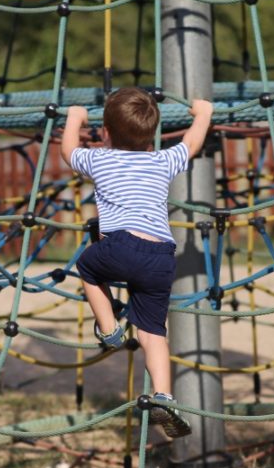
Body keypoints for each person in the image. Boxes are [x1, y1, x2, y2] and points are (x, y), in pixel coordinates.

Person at [61, 87, 213, 439]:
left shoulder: (98, 160)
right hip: (161, 255)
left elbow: (68, 151)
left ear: (106, 133)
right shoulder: (162, 160)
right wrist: (203, 113)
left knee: (87, 268)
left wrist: (74, 117)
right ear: (152, 135)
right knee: (153, 332)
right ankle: (164, 396)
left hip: (120, 245)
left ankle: (109, 328)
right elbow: (191, 145)